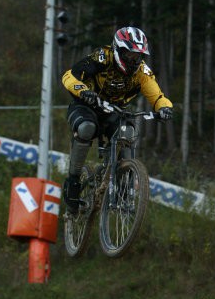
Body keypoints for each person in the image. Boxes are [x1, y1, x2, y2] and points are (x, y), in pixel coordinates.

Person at [61, 26, 174, 214]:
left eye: (137, 56)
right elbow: (69, 76)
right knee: (86, 128)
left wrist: (164, 108)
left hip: (114, 110)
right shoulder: (102, 57)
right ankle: (73, 180)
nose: (133, 60)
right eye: (129, 55)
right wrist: (83, 91)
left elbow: (156, 94)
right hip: (87, 105)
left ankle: (123, 191)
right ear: (118, 49)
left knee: (128, 133)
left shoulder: (142, 72)